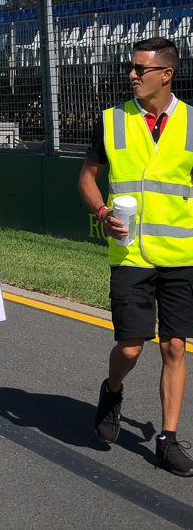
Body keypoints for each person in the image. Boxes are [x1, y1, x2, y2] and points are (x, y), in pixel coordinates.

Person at [78, 36, 193, 477]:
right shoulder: (111, 121)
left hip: (181, 254)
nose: (131, 75)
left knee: (175, 345)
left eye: (140, 69)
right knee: (129, 347)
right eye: (131, 67)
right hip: (130, 255)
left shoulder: (191, 122)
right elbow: (87, 177)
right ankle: (112, 390)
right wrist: (102, 212)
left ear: (166, 74)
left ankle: (168, 439)